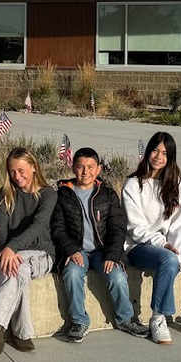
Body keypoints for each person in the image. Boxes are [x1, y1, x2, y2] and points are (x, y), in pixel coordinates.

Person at [50, 147, 148, 343]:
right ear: (73, 167)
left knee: (118, 277)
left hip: (102, 251)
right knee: (72, 273)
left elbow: (117, 227)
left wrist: (112, 255)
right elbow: (57, 227)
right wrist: (71, 250)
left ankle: (126, 319)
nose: (85, 172)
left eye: (90, 167)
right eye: (80, 167)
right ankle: (79, 321)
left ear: (99, 169)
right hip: (77, 251)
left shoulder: (107, 194)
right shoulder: (63, 194)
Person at [0, 147, 56, 356]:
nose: (16, 176)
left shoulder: (48, 194)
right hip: (13, 255)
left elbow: (38, 226)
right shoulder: (6, 193)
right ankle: (21, 334)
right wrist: (6, 250)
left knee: (15, 266)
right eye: (12, 171)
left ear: (33, 167)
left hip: (41, 253)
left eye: (21, 170)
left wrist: (12, 248)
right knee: (16, 271)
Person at [121, 131, 181, 345]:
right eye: (155, 150)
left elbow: (179, 224)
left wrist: (177, 252)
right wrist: (164, 245)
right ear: (148, 151)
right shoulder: (133, 184)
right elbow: (135, 228)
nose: (159, 157)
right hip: (137, 246)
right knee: (166, 259)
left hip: (167, 245)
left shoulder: (178, 186)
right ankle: (159, 317)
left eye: (165, 153)